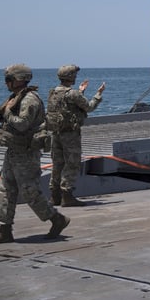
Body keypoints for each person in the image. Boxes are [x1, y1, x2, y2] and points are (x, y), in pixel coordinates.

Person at [0, 64, 70, 246]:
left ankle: (57, 218)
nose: (6, 83)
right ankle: (4, 230)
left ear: (19, 80)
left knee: (30, 192)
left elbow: (22, 124)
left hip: (26, 153)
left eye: (9, 79)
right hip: (14, 151)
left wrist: (6, 113)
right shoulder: (16, 97)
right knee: (6, 190)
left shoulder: (30, 100)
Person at [47, 64, 105, 207]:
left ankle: (54, 197)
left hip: (56, 133)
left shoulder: (54, 92)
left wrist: (81, 92)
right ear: (70, 77)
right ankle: (67, 196)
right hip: (70, 135)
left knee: (57, 165)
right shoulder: (73, 94)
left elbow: (67, 107)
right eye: (74, 75)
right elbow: (89, 107)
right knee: (72, 164)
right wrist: (98, 94)